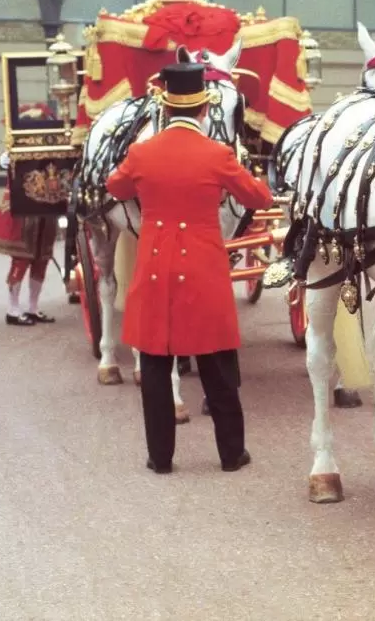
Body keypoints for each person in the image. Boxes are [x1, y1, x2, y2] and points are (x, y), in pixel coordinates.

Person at [106, 62, 273, 474]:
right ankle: (231, 453)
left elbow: (115, 186)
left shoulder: (141, 152)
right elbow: (259, 197)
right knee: (217, 364)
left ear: (165, 107)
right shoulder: (218, 154)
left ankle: (160, 457)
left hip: (155, 265)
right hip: (203, 267)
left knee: (157, 364)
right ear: (203, 109)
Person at [0, 151, 59, 326]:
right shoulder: (18, 145)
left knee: (42, 259)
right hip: (24, 212)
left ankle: (33, 308)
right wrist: (4, 160)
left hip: (47, 210)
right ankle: (12, 309)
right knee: (21, 259)